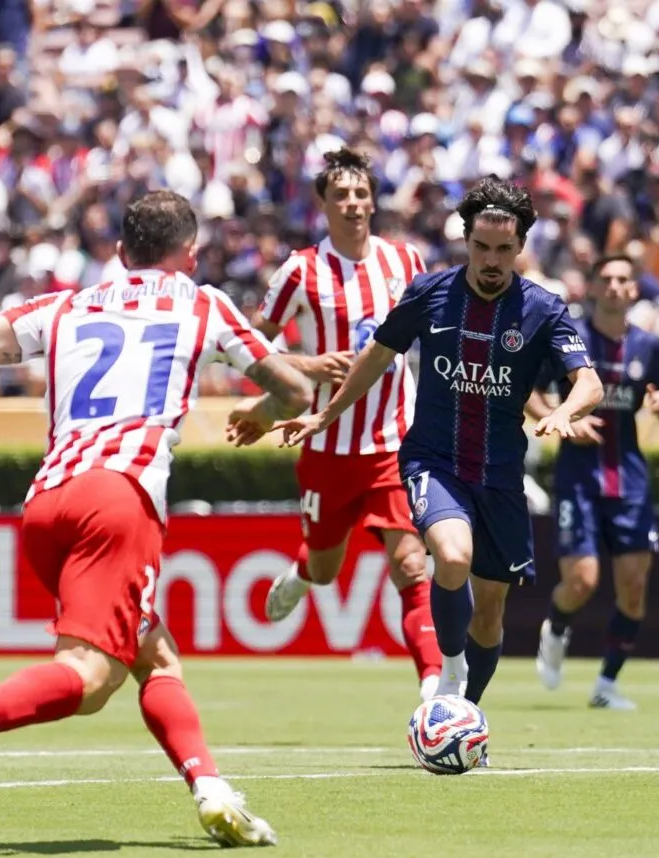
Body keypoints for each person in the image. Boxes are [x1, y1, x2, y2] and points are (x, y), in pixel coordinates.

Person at [0, 191, 312, 846]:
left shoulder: (67, 304)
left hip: (48, 503)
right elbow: (294, 388)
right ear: (191, 254)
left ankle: (212, 792)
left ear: (122, 253)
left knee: (154, 658)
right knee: (90, 676)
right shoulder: (202, 303)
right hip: (120, 501)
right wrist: (261, 413)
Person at [257, 177, 604, 713]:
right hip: (433, 460)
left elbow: (590, 382)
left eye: (504, 249)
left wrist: (563, 411)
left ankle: (465, 714)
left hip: (500, 475)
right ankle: (448, 671)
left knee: (489, 614)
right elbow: (376, 356)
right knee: (451, 555)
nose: (491, 260)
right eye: (482, 247)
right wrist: (326, 413)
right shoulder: (430, 294)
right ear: (466, 241)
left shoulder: (543, 309)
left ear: (520, 246)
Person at [232, 148, 442, 700]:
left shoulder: (405, 262)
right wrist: (309, 365)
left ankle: (434, 690)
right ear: (323, 204)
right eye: (341, 195)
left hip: (395, 444)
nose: (352, 203)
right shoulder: (300, 270)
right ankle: (303, 575)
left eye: (360, 193)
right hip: (326, 446)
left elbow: (436, 331)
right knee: (326, 568)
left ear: (373, 202)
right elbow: (249, 347)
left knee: (411, 564)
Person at [528, 255, 659, 711]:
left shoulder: (648, 346)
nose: (614, 286)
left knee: (634, 587)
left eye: (623, 279)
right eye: (606, 279)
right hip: (578, 476)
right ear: (592, 287)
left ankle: (607, 685)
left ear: (634, 290)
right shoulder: (568, 338)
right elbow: (529, 391)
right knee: (582, 581)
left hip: (629, 480)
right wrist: (563, 419)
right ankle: (555, 628)